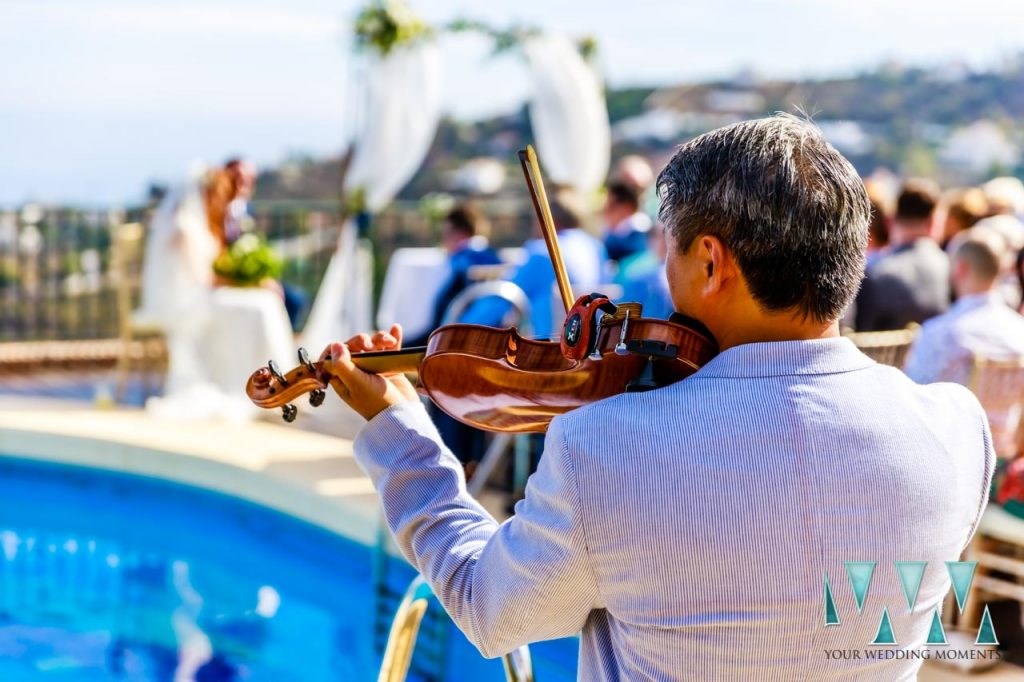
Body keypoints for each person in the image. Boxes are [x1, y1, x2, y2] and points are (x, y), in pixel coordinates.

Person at [320, 115, 993, 680]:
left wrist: (400, 429)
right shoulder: (958, 431)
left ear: (709, 261)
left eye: (668, 252)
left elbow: (492, 609)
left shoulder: (605, 448)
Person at [460, 187, 606, 340]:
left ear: (550, 220)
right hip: (590, 344)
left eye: (537, 218)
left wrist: (461, 329)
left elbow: (501, 298)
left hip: (549, 345)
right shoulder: (596, 248)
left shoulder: (543, 252)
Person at [904, 228, 1024, 385]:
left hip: (949, 409)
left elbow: (914, 389)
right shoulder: (1018, 329)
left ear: (961, 268)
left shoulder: (939, 334)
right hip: (1006, 410)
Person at [854, 179, 950, 331]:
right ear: (933, 222)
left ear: (891, 221)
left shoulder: (869, 273)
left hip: (874, 353)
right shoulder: (952, 269)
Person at [404, 202, 502, 348]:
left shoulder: (460, 261)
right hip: (492, 341)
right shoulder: (494, 257)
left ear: (459, 233)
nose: (444, 241)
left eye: (446, 234)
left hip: (453, 341)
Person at [601, 180, 652, 263]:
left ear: (626, 207)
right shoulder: (614, 234)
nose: (605, 211)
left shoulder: (639, 236)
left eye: (611, 205)